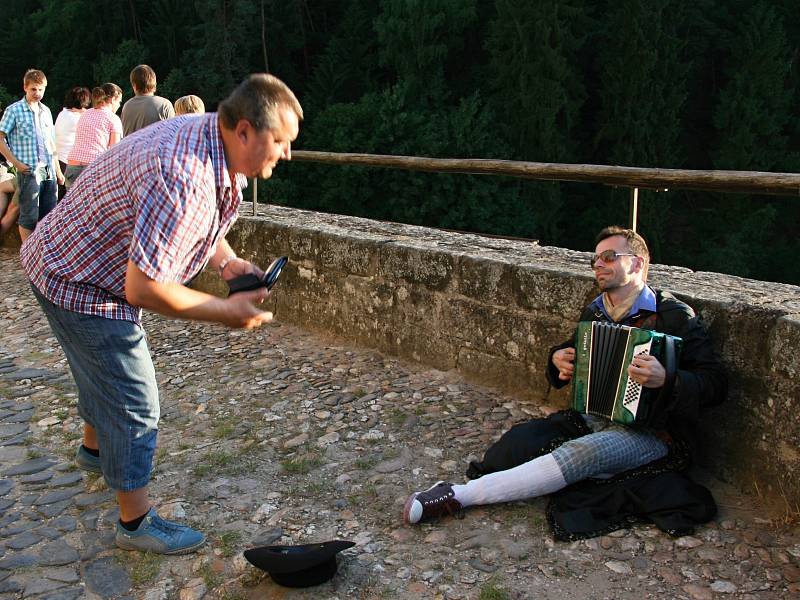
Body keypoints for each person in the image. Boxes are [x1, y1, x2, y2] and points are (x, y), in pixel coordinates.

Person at [21, 73, 302, 554]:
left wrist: (228, 263)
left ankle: (93, 451)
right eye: (280, 141)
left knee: (96, 368)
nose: (288, 153)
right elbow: (145, 288)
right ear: (243, 132)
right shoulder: (184, 173)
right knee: (134, 398)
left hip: (63, 256)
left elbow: (204, 220)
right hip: (77, 279)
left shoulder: (210, 139)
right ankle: (134, 523)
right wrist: (225, 311)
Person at [403, 226, 727, 535]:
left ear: (638, 263)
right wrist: (558, 359)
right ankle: (585, 467)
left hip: (651, 432)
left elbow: (714, 384)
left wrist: (667, 379)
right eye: (596, 259)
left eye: (610, 257)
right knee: (514, 447)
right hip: (595, 416)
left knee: (582, 455)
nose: (599, 264)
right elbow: (571, 352)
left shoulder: (674, 316)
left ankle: (459, 495)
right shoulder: (597, 311)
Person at [0, 69, 64, 241]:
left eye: (41, 89)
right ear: (25, 88)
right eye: (34, 89)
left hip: (48, 170)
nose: (37, 93)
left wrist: (58, 172)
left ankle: (41, 255)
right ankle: (27, 258)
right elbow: (0, 139)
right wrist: (16, 164)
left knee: (48, 217)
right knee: (28, 218)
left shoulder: (46, 111)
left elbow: (51, 143)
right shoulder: (14, 110)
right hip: (28, 170)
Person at [64, 83, 123, 189]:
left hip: (72, 166)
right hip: (93, 168)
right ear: (112, 99)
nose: (119, 105)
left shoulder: (84, 114)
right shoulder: (113, 119)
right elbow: (114, 150)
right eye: (119, 101)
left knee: (73, 205)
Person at [54, 86, 91, 198]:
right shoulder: (76, 118)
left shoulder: (63, 114)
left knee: (60, 198)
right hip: (70, 163)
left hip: (59, 160)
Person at [121, 64, 175, 136]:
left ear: (134, 85)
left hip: (131, 147)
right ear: (154, 83)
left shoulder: (127, 106)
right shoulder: (164, 104)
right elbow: (172, 134)